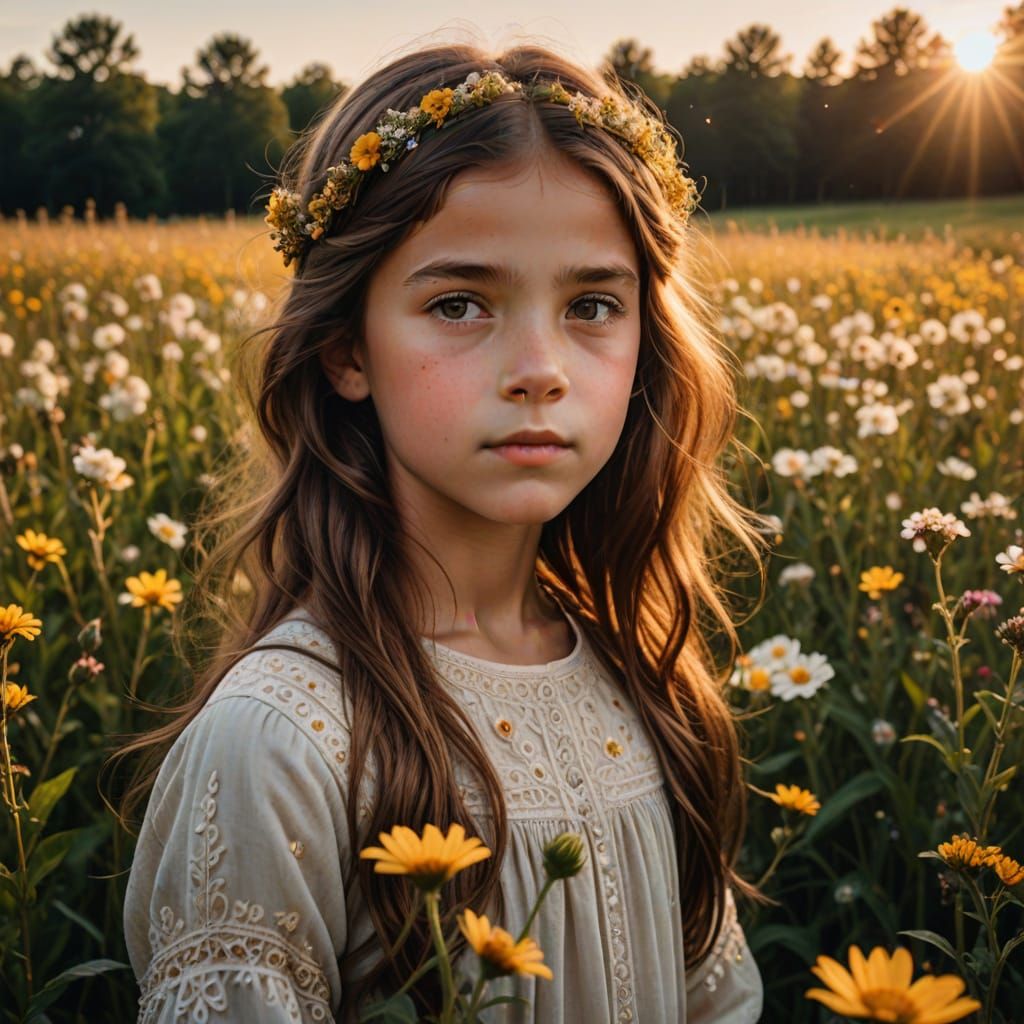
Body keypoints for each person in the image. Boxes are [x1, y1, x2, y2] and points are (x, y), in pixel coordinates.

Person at [116, 38, 772, 1024]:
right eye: (459, 304)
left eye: (593, 304)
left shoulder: (644, 680)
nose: (540, 368)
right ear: (345, 348)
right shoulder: (281, 742)